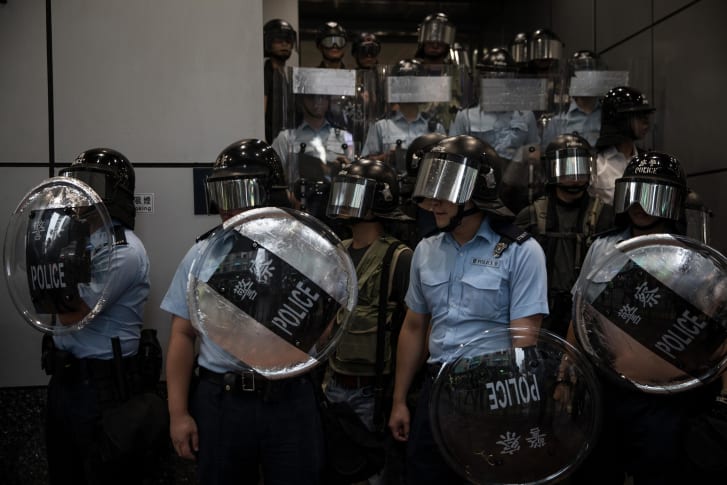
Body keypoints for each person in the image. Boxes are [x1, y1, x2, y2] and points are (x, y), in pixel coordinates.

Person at [388, 135, 549, 483]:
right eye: (431, 189)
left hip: (493, 389)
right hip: (436, 389)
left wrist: (516, 412)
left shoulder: (522, 251)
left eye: (446, 191)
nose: (433, 203)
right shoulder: (425, 250)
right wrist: (399, 400)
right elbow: (414, 326)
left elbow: (524, 339)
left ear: (479, 192)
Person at [162, 139, 324, 484]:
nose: (228, 207)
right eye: (223, 192)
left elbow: (326, 329)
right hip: (222, 400)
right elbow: (181, 333)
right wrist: (178, 414)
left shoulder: (307, 252)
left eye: (240, 191)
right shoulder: (204, 255)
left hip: (290, 396)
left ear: (268, 192)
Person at [567, 151, 721, 484]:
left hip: (666, 397)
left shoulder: (692, 259)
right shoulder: (603, 247)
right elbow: (581, 314)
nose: (639, 204)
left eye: (651, 194)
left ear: (673, 200)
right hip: (606, 385)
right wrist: (568, 374)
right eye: (632, 192)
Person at [44, 148, 155, 484]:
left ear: (113, 192)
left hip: (101, 391)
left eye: (91, 183)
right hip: (64, 382)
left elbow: (71, 314)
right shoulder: (78, 243)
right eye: (77, 182)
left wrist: (47, 269)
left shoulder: (125, 250)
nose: (80, 192)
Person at [325, 158, 413, 484]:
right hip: (333, 384)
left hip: (371, 393)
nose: (344, 201)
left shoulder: (399, 258)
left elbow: (413, 327)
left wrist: (399, 397)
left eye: (354, 194)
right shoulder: (338, 251)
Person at [515, 134, 614, 338]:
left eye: (581, 167)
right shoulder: (531, 216)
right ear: (551, 169)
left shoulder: (606, 216)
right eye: (567, 168)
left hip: (588, 314)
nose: (575, 177)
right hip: (540, 313)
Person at [449, 47, 541, 162]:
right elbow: (453, 154)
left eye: (503, 79)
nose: (498, 85)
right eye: (492, 79)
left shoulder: (525, 116)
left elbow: (533, 150)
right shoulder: (466, 117)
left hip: (514, 176)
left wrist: (525, 153)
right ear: (481, 81)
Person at [361, 59, 446, 166]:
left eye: (414, 84)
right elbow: (365, 162)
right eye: (403, 84)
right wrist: (385, 158)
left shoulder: (435, 128)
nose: (408, 89)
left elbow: (445, 162)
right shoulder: (381, 126)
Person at [589, 85, 655, 205]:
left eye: (646, 116)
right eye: (639, 116)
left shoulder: (647, 161)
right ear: (621, 119)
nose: (646, 122)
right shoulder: (596, 164)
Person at [541, 50, 604, 149]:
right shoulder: (558, 121)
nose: (585, 81)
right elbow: (548, 155)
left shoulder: (608, 116)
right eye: (580, 77)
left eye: (589, 76)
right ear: (571, 82)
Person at [263, 18, 297, 144]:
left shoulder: (287, 74)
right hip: (270, 142)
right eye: (278, 39)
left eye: (288, 39)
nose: (284, 44)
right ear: (268, 42)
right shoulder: (264, 72)